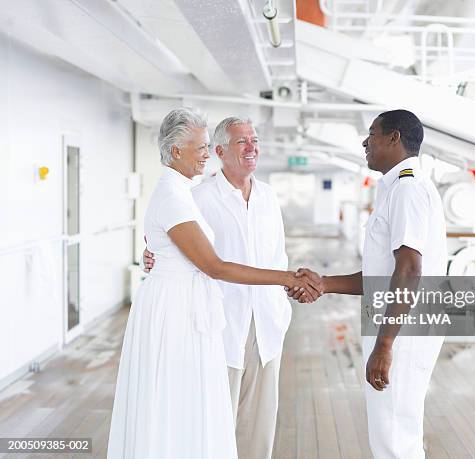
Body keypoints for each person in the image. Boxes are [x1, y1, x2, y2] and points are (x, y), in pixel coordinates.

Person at [108, 108, 320, 459]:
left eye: (255, 140)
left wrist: (288, 290)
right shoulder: (198, 196)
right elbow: (198, 255)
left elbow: (276, 253)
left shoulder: (268, 197)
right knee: (215, 421)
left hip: (267, 322)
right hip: (222, 323)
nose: (251, 147)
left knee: (260, 425)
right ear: (221, 152)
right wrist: (152, 252)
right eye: (241, 142)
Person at [292, 110, 447, 458]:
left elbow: (409, 271)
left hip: (402, 331)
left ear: (394, 138)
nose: (365, 141)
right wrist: (325, 283)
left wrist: (385, 345)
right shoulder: (396, 188)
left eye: (372, 134)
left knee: (395, 437)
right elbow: (388, 272)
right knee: (392, 431)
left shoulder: (407, 189)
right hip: (398, 325)